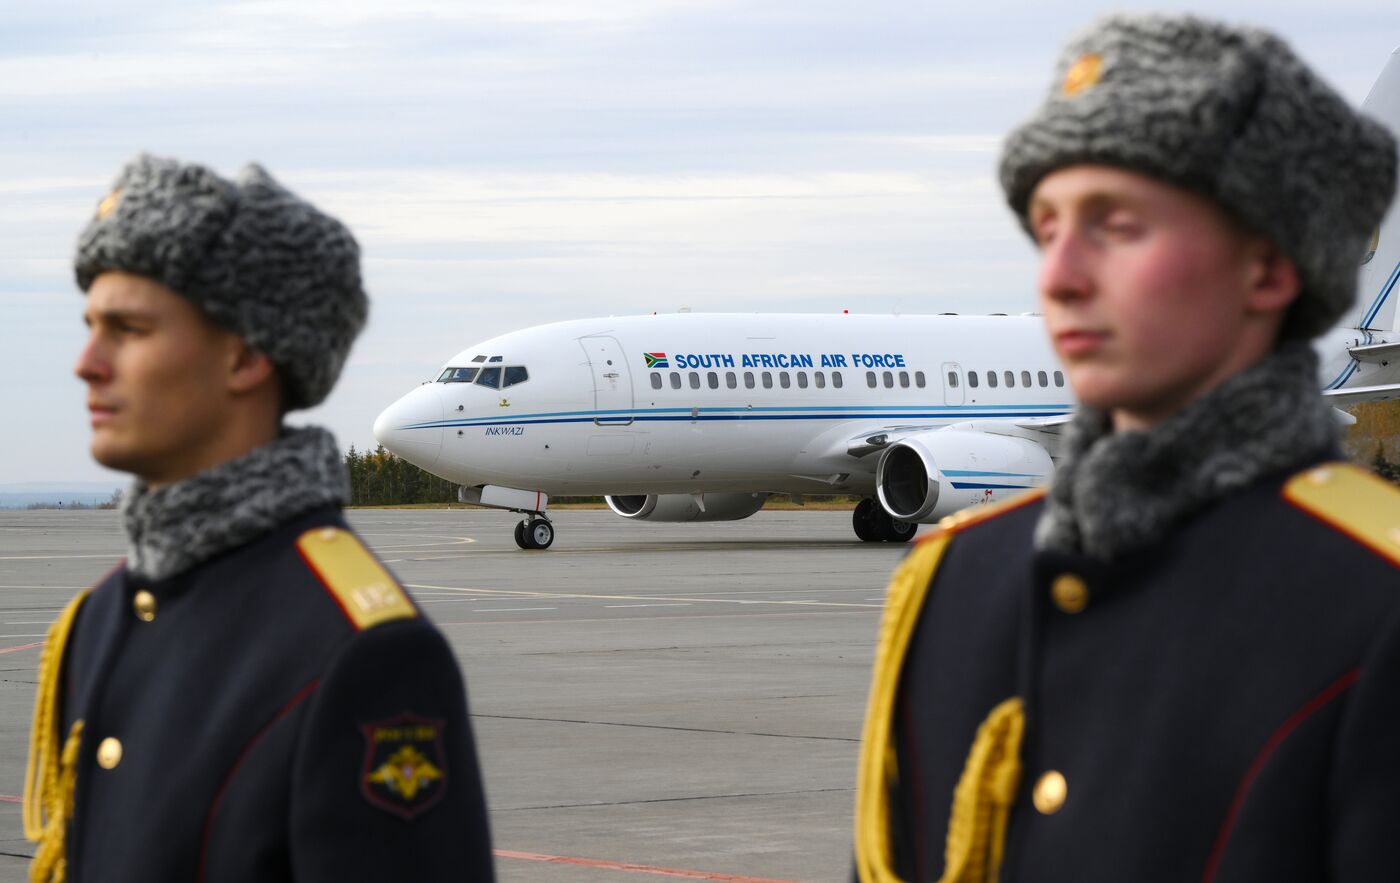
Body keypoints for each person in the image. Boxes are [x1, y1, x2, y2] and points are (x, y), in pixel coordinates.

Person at [852, 15, 1400, 883]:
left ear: (1269, 265)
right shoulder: (949, 591)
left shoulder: (1374, 599)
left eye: (1118, 223)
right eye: (1048, 224)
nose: (1060, 275)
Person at [23, 155, 495, 882]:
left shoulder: (365, 654)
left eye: (129, 328)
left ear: (245, 356)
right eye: (91, 324)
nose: (87, 361)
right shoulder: (100, 619)